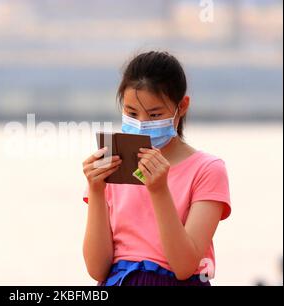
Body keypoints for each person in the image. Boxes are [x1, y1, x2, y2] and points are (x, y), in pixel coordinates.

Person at [81, 51, 231, 286]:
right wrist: (96, 190)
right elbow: (97, 269)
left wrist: (160, 190)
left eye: (154, 114)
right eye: (131, 113)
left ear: (181, 107)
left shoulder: (207, 170)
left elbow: (184, 266)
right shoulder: (113, 163)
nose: (141, 123)